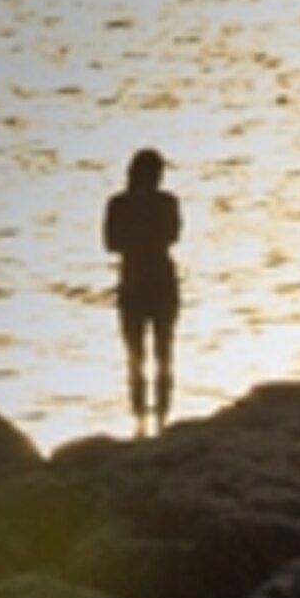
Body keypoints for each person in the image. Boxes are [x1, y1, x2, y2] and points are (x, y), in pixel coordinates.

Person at [102, 149, 181, 431]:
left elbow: (110, 243)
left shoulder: (118, 204)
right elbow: (173, 236)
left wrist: (135, 239)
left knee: (135, 353)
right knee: (164, 349)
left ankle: (140, 418)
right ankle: (161, 415)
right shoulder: (167, 202)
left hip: (133, 281)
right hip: (161, 280)